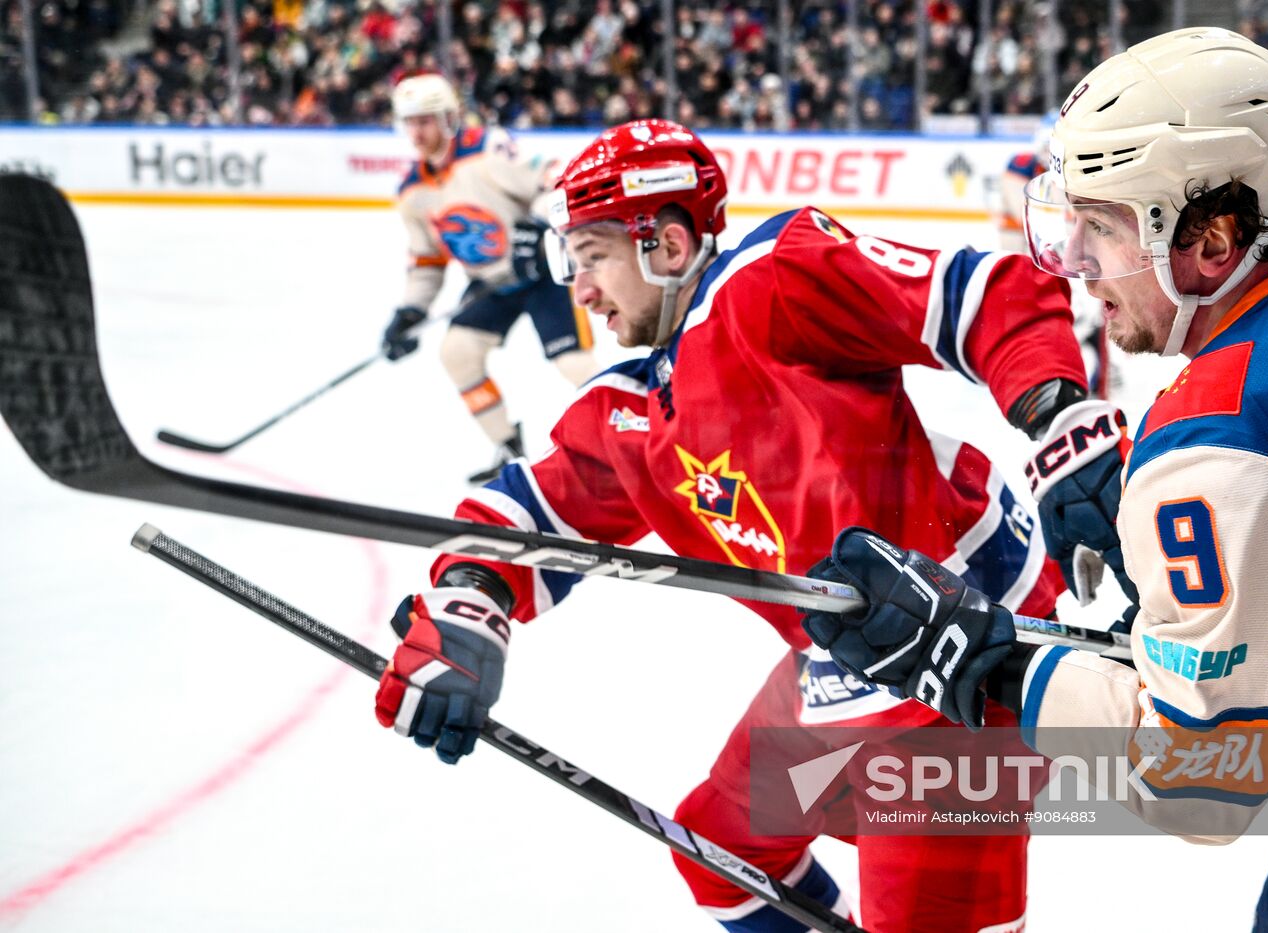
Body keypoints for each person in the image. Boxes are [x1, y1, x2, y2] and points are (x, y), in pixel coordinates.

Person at [371, 118, 1093, 932]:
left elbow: (985, 295)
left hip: (965, 655)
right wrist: (471, 603)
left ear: (668, 246)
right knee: (721, 851)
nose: (580, 290)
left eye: (594, 257)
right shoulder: (633, 410)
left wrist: (1060, 422)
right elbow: (532, 509)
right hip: (851, 660)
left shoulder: (775, 281)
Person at [801, 28, 1268, 932]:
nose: (1074, 264)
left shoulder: (1218, 445)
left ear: (1212, 237)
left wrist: (993, 669)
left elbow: (1203, 778)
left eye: (1106, 227)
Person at [381, 73, 598, 483]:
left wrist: (535, 226)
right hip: (490, 282)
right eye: (409, 122)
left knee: (574, 363)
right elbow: (427, 260)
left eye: (425, 120)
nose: (417, 131)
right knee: (457, 353)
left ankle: (633, 444)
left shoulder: (485, 148)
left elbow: (553, 179)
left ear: (448, 118)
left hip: (542, 271)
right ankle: (509, 450)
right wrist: (410, 311)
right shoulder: (411, 191)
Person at [998, 110, 1111, 399]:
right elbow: (1019, 208)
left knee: (1079, 306)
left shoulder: (1069, 171)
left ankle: (1089, 361)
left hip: (1054, 246)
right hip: (1021, 243)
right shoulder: (1021, 165)